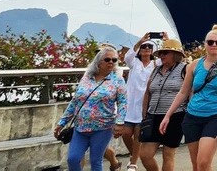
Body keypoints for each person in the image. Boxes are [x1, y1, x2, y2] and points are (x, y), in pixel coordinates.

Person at [161, 24, 217, 171]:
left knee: (203, 163)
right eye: (210, 42)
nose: (214, 45)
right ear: (205, 43)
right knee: (196, 165)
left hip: (216, 115)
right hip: (193, 117)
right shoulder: (195, 65)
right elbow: (183, 92)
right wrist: (167, 115)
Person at [55, 45, 128, 171]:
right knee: (73, 159)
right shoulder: (86, 77)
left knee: (95, 160)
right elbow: (75, 101)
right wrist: (62, 122)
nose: (111, 62)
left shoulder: (117, 80)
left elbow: (123, 102)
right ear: (98, 61)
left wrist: (120, 122)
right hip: (80, 127)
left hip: (102, 127)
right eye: (107, 59)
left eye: (114, 60)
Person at [139, 39, 187, 171]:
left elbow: (190, 91)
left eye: (165, 53)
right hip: (154, 115)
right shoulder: (156, 70)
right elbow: (148, 92)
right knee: (145, 154)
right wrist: (145, 113)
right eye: (160, 53)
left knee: (168, 154)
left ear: (175, 54)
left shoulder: (184, 69)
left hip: (175, 116)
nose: (162, 56)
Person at [120, 33, 160, 171]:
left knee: (138, 133)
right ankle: (134, 155)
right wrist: (140, 41)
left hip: (145, 105)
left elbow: (170, 59)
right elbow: (127, 57)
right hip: (130, 104)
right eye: (144, 47)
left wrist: (166, 40)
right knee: (126, 133)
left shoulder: (156, 64)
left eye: (149, 46)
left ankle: (133, 162)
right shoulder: (134, 63)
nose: (146, 48)